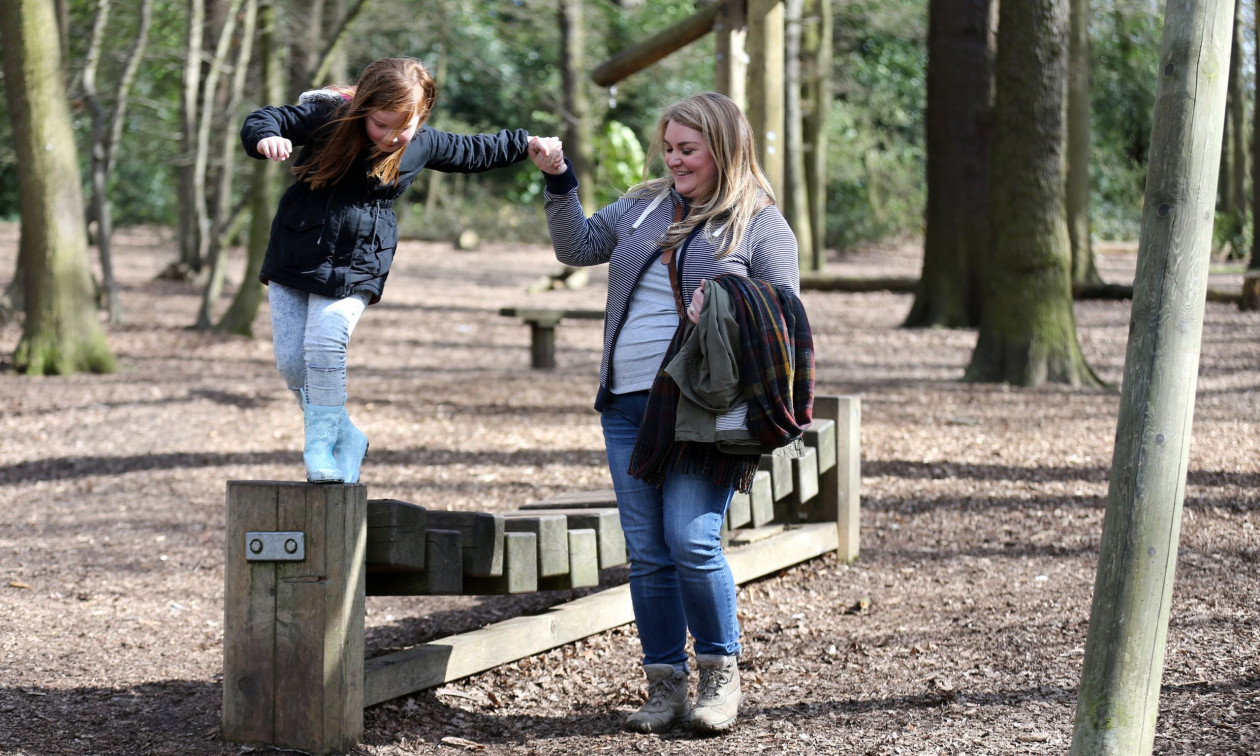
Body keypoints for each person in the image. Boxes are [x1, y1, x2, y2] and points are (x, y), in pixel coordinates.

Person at [529, 91, 803, 734]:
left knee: (691, 539)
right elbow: (578, 246)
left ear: (724, 149)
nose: (675, 160)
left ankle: (720, 677)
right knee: (649, 552)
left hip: (700, 410)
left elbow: (786, 319)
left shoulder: (758, 222)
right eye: (669, 147)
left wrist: (733, 304)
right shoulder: (645, 203)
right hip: (626, 403)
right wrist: (558, 179)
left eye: (689, 150)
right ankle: (664, 687)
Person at [242, 57, 560, 484]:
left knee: (324, 345)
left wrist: (527, 143)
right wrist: (267, 137)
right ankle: (346, 435)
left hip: (359, 259)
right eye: (380, 124)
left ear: (421, 115)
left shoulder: (422, 143)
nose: (392, 137)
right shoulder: (327, 118)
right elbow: (266, 119)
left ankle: (318, 445)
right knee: (292, 365)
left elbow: (474, 150)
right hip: (295, 250)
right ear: (364, 108)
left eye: (403, 127)